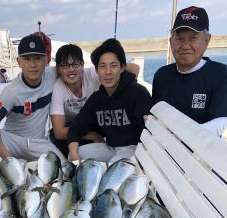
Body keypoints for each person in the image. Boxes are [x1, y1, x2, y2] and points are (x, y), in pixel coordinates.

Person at [67, 38, 152, 162]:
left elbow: (148, 134)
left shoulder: (137, 93)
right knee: (74, 155)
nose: (107, 72)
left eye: (113, 66)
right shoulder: (97, 98)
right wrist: (74, 152)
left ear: (122, 68)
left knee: (114, 166)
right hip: (111, 148)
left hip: (134, 149)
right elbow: (76, 127)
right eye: (102, 66)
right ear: (96, 70)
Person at [0, 34, 66, 162]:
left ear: (46, 60)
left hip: (38, 142)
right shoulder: (12, 91)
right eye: (27, 59)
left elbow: (74, 71)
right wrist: (3, 152)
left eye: (38, 58)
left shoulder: (52, 74)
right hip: (12, 140)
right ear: (19, 62)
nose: (32, 64)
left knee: (62, 164)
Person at [50, 43, 140, 157]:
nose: (71, 69)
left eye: (75, 64)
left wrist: (122, 94)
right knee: (62, 146)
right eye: (65, 65)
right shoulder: (58, 88)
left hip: (98, 124)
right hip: (76, 129)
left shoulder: (92, 73)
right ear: (58, 69)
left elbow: (134, 68)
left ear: (82, 65)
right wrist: (90, 135)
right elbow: (58, 132)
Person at [152, 6, 227, 137]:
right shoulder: (161, 75)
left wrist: (183, 135)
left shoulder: (220, 74)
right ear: (171, 42)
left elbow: (221, 121)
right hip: (164, 151)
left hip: (202, 154)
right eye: (180, 38)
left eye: (193, 38)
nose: (185, 45)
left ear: (207, 40)